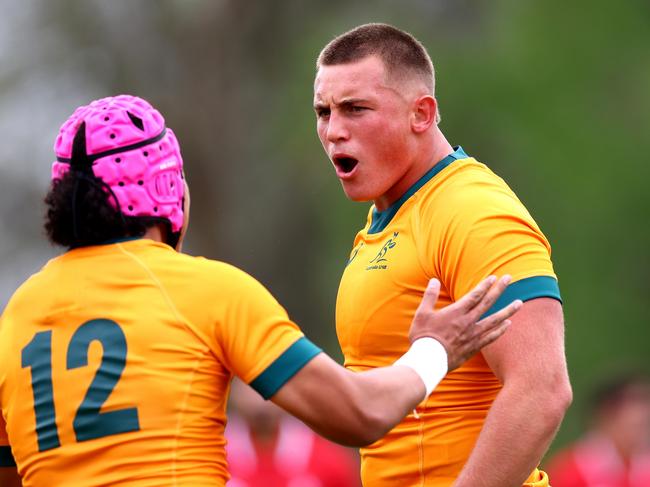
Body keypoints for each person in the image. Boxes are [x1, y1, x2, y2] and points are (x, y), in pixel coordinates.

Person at [0, 95, 520, 487]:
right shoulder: (204, 289)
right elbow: (360, 414)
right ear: (167, 190)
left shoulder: (16, 316)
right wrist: (434, 350)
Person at [313, 23, 572, 487]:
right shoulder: (392, 216)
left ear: (421, 113)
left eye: (356, 109)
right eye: (324, 111)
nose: (334, 131)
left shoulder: (473, 210)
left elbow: (543, 391)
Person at [226, 379, 360, 487]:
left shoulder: (329, 458)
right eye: (248, 384)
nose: (258, 397)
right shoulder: (213, 455)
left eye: (265, 381)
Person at [546, 375, 650, 487]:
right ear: (607, 418)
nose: (642, 434)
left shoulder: (643, 467)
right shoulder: (572, 469)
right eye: (637, 426)